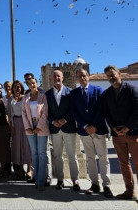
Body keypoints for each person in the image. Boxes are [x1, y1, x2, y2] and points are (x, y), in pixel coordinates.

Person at [70, 68, 113, 198]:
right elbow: (74, 112)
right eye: (79, 76)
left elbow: (101, 109)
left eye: (84, 76)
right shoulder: (74, 93)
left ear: (88, 76)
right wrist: (85, 126)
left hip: (98, 129)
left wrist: (94, 125)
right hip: (84, 131)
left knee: (103, 157)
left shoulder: (97, 90)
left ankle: (107, 185)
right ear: (76, 78)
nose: (82, 78)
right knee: (90, 158)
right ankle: (94, 183)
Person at [100, 65, 138, 200]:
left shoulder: (131, 90)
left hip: (133, 133)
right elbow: (106, 113)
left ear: (119, 73)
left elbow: (137, 110)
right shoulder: (106, 94)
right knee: (123, 163)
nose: (111, 77)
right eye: (108, 76)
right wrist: (113, 128)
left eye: (112, 74)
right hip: (117, 135)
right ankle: (129, 191)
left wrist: (127, 127)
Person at [46, 69, 80, 191]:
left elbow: (74, 109)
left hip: (69, 127)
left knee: (72, 156)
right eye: (54, 76)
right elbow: (46, 111)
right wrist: (53, 121)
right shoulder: (48, 94)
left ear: (62, 78)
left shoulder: (71, 93)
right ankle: (60, 180)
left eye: (58, 76)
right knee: (57, 156)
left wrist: (64, 120)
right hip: (55, 129)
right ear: (51, 79)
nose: (56, 78)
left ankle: (75, 179)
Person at [22, 77, 50, 191]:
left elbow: (45, 112)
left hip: (41, 126)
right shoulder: (26, 98)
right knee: (34, 153)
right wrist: (28, 127)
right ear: (28, 85)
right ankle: (36, 177)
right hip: (29, 126)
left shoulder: (43, 96)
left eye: (33, 83)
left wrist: (39, 127)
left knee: (42, 154)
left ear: (37, 83)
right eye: (29, 83)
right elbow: (23, 112)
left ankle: (41, 181)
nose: (32, 85)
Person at [9, 80, 32, 180]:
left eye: (19, 87)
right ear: (12, 88)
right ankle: (21, 168)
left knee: (27, 145)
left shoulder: (25, 98)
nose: (17, 88)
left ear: (21, 88)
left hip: (25, 122)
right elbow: (10, 114)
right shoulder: (10, 99)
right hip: (16, 123)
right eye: (15, 87)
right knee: (18, 146)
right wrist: (12, 126)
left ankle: (29, 169)